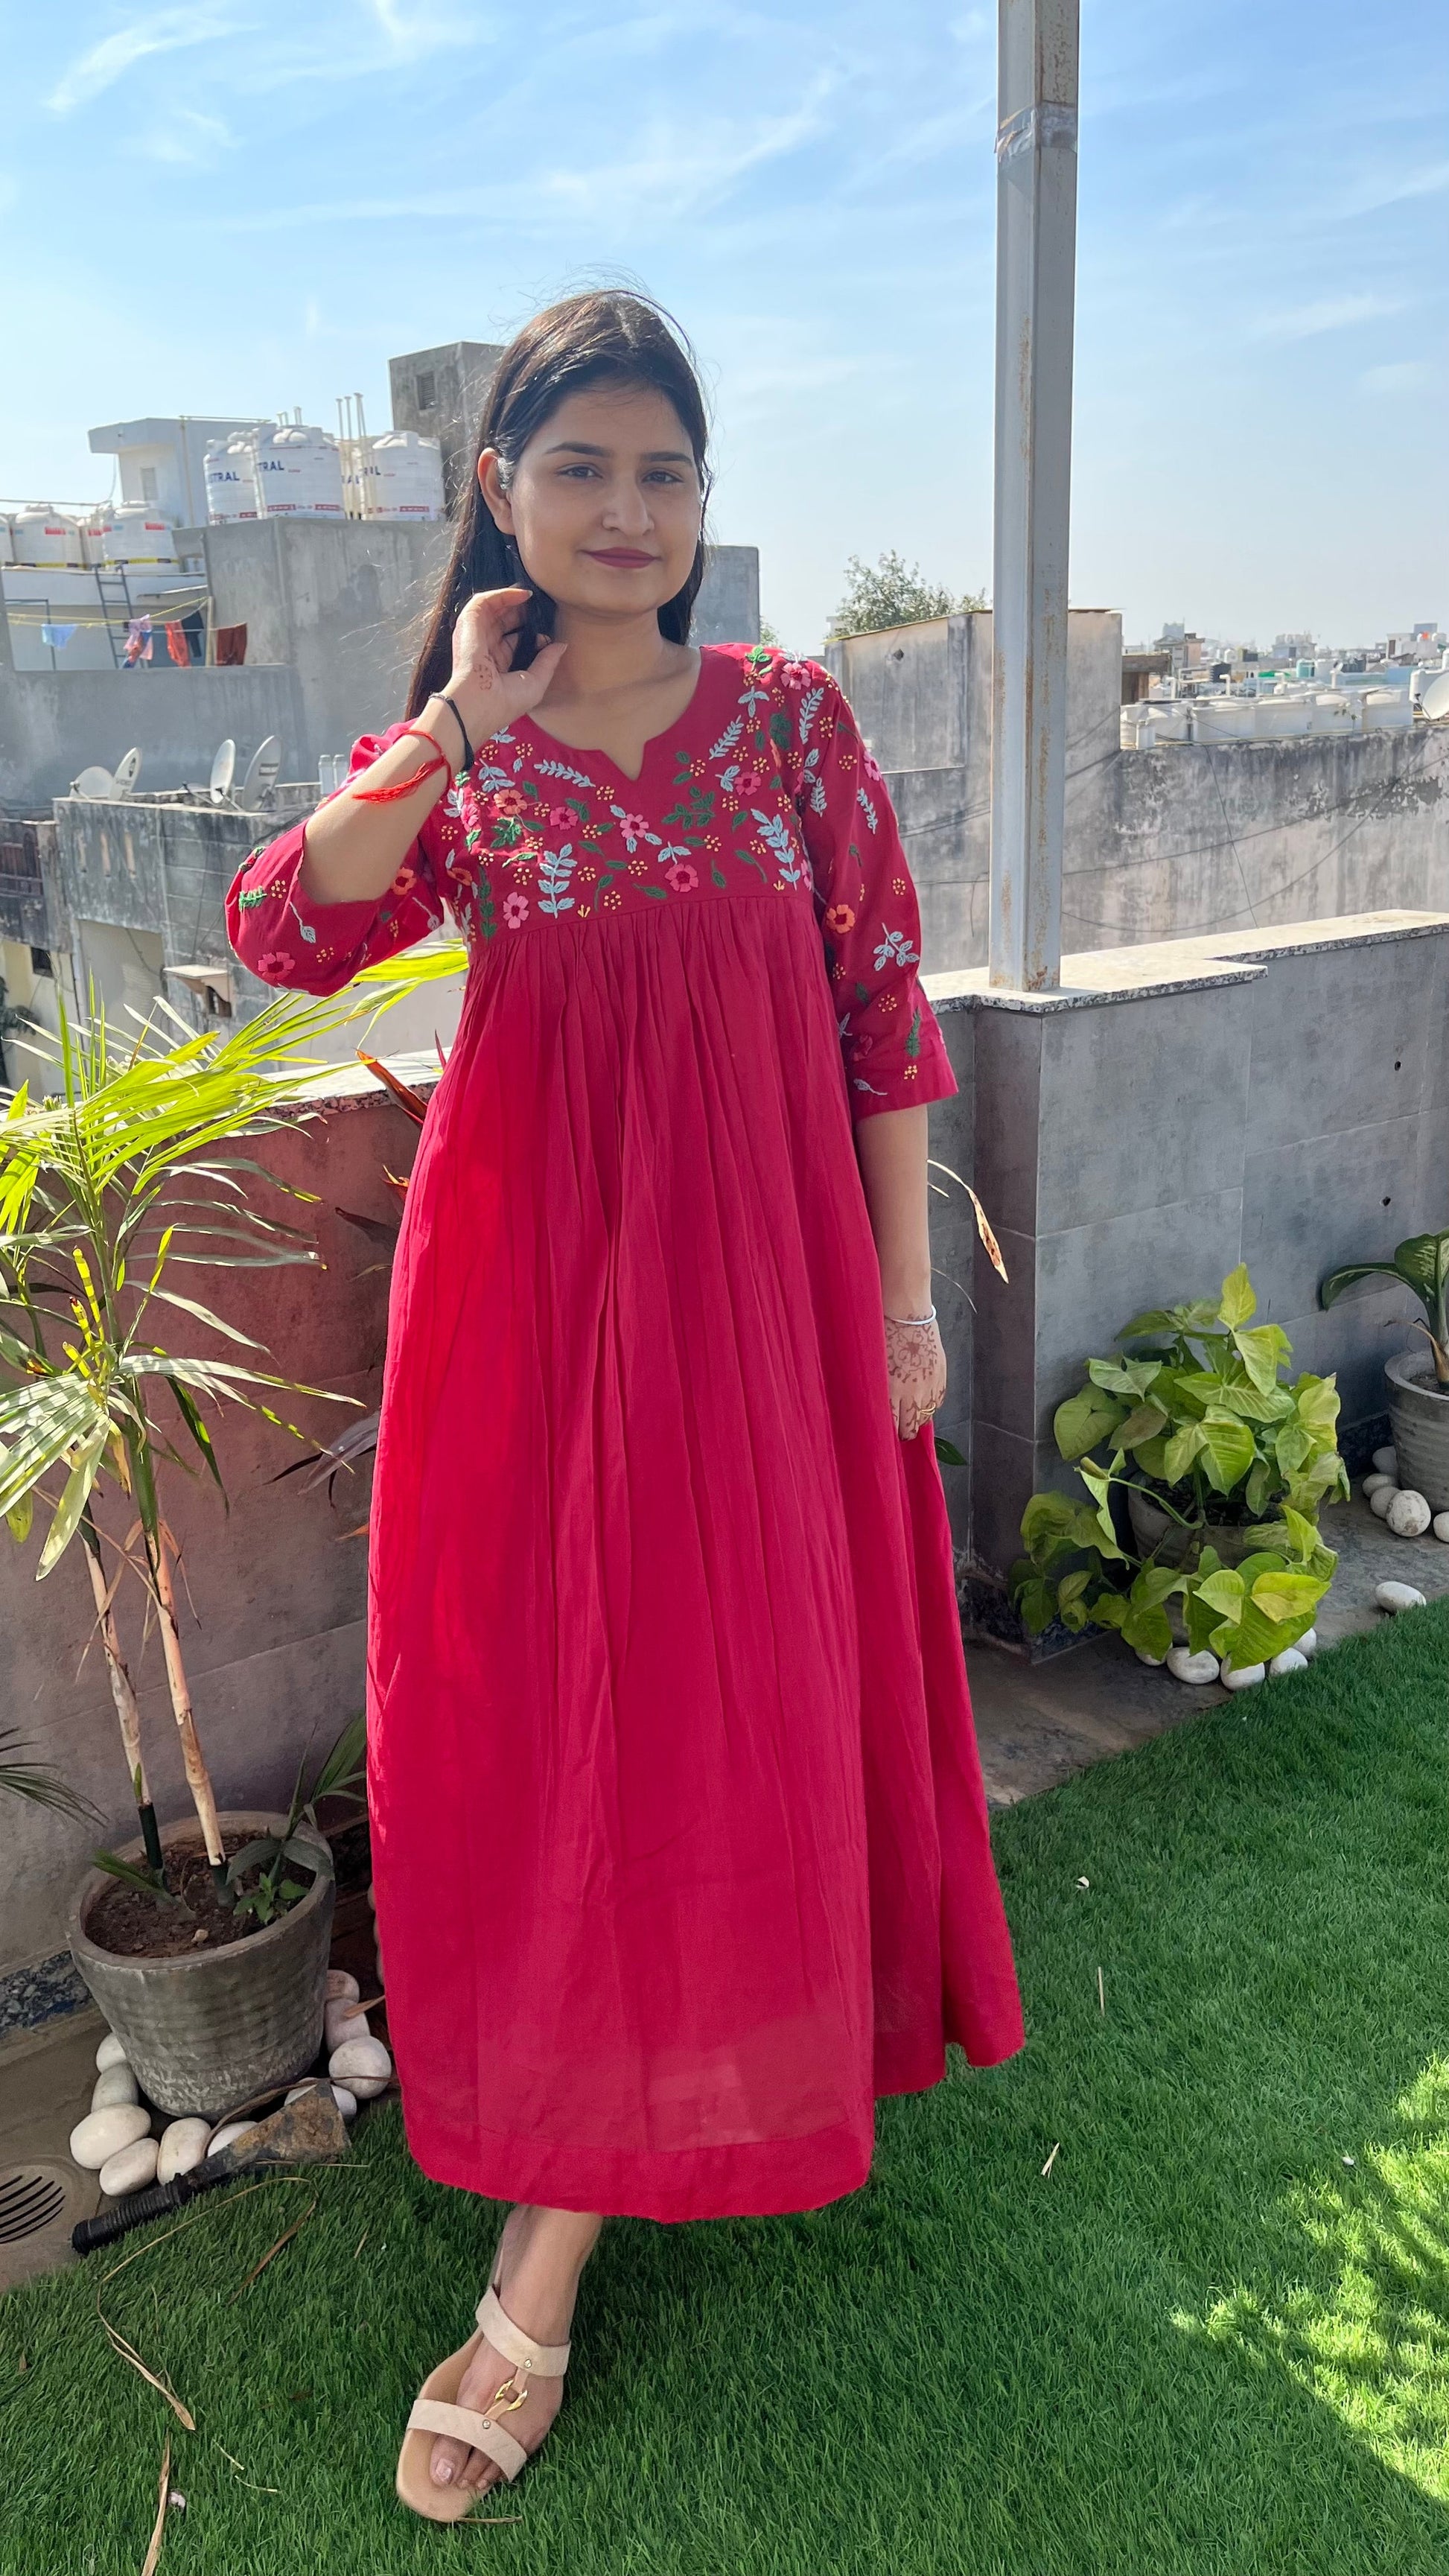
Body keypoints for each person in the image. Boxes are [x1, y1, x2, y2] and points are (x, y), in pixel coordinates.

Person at [226, 288, 1023, 2521]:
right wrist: (447, 732)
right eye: (577, 468)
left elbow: (884, 1018)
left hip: (770, 1306)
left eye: (663, 473)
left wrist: (903, 1301)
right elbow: (284, 930)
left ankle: (572, 2237)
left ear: (702, 501)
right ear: (500, 489)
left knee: (737, 1702)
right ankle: (560, 2193)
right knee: (563, 1721)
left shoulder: (790, 725)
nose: (625, 512)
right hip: (536, 1321)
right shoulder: (469, 760)